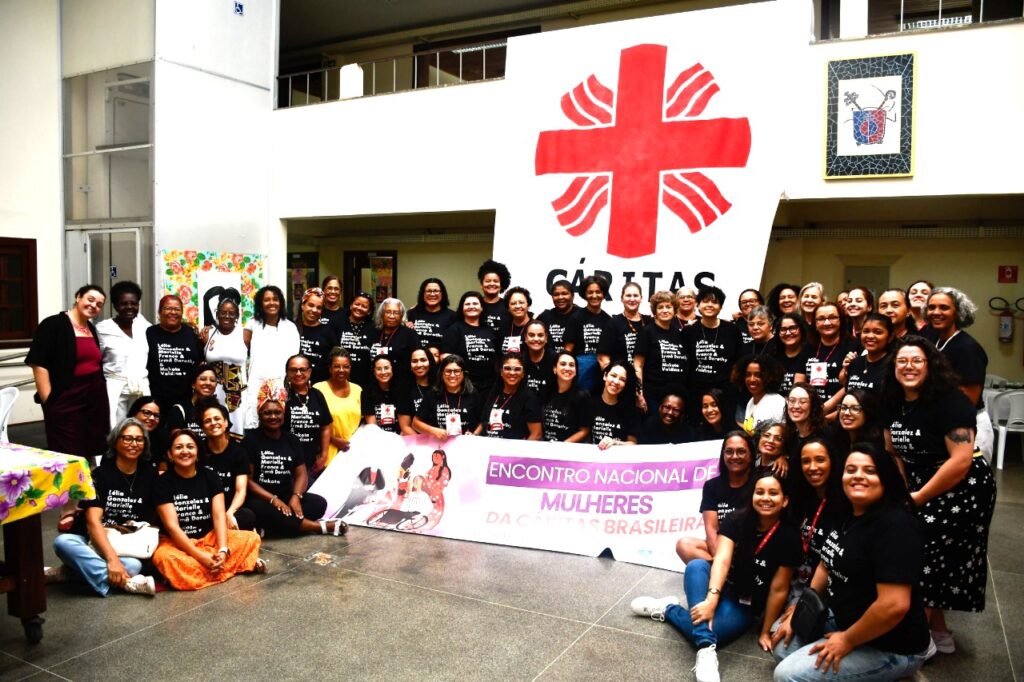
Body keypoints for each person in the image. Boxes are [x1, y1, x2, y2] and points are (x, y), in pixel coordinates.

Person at [771, 445, 933, 681]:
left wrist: (847, 641)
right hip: (845, 619)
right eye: (851, 469)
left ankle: (900, 673)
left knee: (787, 676)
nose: (858, 475)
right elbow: (826, 563)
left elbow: (893, 605)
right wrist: (801, 607)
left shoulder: (897, 525)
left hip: (891, 644)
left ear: (885, 478)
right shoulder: (847, 511)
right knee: (781, 645)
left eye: (869, 470)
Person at [882, 335, 996, 653]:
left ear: (931, 365)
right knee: (928, 556)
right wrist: (907, 490)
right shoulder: (891, 401)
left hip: (962, 485)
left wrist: (918, 498)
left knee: (925, 552)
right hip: (920, 481)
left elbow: (960, 460)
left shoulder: (951, 400)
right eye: (902, 361)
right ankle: (937, 629)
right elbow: (893, 452)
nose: (909, 366)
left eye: (917, 360)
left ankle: (915, 641)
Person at [632, 470, 800, 682]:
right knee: (696, 567)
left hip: (745, 602)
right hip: (721, 583)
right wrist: (712, 599)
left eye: (773, 493)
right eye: (759, 492)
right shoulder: (736, 520)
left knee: (715, 631)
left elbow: (779, 587)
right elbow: (721, 560)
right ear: (752, 495)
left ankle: (669, 609)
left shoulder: (790, 536)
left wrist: (765, 631)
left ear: (784, 500)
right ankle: (706, 650)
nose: (765, 498)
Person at [49, 418, 158, 596]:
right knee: (63, 543)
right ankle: (127, 583)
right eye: (127, 438)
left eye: (139, 439)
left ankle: (69, 573)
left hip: (125, 541)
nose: (134, 444)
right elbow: (93, 521)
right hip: (92, 539)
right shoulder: (101, 475)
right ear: (115, 442)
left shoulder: (149, 474)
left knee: (134, 565)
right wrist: (112, 560)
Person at [153, 428, 265, 589]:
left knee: (250, 538)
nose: (185, 451)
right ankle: (230, 567)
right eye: (178, 448)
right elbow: (172, 528)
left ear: (198, 452)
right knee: (165, 558)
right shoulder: (162, 483)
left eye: (190, 447)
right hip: (178, 543)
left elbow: (219, 517)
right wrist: (201, 557)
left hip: (209, 538)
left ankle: (201, 572)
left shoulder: (210, 476)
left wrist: (222, 550)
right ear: (170, 454)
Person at [243, 382, 346, 536]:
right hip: (261, 499)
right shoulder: (250, 439)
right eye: (267, 413)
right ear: (259, 414)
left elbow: (301, 474)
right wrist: (273, 500)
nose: (273, 417)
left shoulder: (292, 440)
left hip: (286, 495)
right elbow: (248, 481)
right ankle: (318, 527)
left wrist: (296, 496)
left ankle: (270, 530)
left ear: (283, 413)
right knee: (260, 511)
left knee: (318, 504)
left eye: (277, 412)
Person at [27, 284, 110, 470]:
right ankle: (68, 495)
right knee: (68, 452)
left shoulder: (90, 328)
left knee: (90, 448)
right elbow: (38, 362)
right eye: (90, 299)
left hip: (93, 400)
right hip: (66, 400)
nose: (94, 306)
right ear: (78, 297)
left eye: (99, 304)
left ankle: (87, 493)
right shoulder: (53, 324)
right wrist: (49, 400)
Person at [923, 286, 993, 462]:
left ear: (958, 312)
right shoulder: (934, 341)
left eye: (944, 307)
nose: (936, 312)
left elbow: (969, 400)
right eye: (931, 307)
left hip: (967, 425)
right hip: (942, 422)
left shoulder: (967, 348)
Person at [676, 432, 754, 562]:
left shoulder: (758, 484)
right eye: (729, 451)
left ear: (751, 455)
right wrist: (720, 561)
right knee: (684, 545)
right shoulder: (711, 486)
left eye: (741, 451)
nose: (734, 456)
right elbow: (711, 529)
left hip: (750, 547)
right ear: (723, 455)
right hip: (721, 545)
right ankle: (726, 574)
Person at [785, 438, 843, 595]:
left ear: (832, 462)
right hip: (796, 582)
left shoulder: (846, 503)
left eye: (820, 460)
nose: (812, 467)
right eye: (805, 461)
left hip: (825, 590)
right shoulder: (800, 499)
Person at [96, 280, 150, 428]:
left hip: (141, 388)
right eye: (124, 303)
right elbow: (96, 360)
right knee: (115, 429)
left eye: (134, 303)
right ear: (115, 305)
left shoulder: (144, 327)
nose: (129, 307)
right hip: (114, 389)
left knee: (142, 428)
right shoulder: (103, 329)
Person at [244, 285, 300, 428]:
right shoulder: (252, 324)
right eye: (266, 300)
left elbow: (294, 360)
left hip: (281, 383)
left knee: (277, 422)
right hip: (256, 382)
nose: (271, 303)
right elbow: (242, 352)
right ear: (260, 304)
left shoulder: (290, 327)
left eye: (275, 299)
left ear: (281, 302)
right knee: (254, 422)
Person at [684, 286, 742, 417]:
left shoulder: (733, 331)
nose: (709, 305)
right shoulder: (689, 331)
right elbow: (685, 364)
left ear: (721, 307)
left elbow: (739, 362)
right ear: (698, 305)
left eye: (714, 302)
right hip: (696, 392)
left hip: (725, 392)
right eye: (705, 301)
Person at [198, 399, 256, 532]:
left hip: (230, 506)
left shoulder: (239, 452)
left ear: (225, 423)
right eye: (207, 421)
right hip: (205, 508)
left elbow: (240, 490)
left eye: (217, 419)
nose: (213, 423)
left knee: (247, 516)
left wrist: (229, 512)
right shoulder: (197, 451)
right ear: (203, 428)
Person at [200, 288, 247, 434]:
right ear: (217, 314)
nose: (227, 316)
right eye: (223, 312)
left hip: (237, 396)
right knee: (215, 429)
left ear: (237, 316)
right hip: (213, 393)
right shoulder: (208, 333)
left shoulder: (245, 334)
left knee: (237, 432)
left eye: (231, 313)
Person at [634, 290, 688, 414]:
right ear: (655, 312)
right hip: (653, 396)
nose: (665, 310)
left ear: (674, 310)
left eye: (668, 307)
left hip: (675, 397)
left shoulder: (678, 333)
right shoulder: (647, 332)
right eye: (660, 307)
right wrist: (639, 393)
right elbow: (638, 365)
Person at [313, 347, 363, 467]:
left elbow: (362, 422)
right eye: (336, 366)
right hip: (327, 454)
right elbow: (313, 424)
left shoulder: (358, 390)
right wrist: (335, 440)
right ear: (329, 368)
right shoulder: (318, 389)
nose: (341, 370)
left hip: (353, 453)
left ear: (350, 368)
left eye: (346, 366)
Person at [441, 291, 498, 397]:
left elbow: (497, 357)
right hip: (464, 386)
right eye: (467, 304)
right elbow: (445, 357)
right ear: (462, 308)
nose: (471, 306)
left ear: (481, 308)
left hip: (489, 386)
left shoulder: (489, 330)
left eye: (475, 304)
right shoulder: (454, 329)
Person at [283, 353, 332, 474]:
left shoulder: (317, 395)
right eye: (293, 370)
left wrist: (324, 454)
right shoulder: (281, 396)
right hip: (286, 459)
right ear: (287, 373)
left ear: (309, 372)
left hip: (312, 460)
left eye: (302, 369)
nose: (298, 373)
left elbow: (326, 427)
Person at [413, 355, 482, 438]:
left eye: (456, 371)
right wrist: (433, 431)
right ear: (442, 373)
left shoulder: (473, 393)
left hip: (466, 444)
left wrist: (475, 434)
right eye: (448, 371)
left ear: (463, 373)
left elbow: (483, 421)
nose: (452, 375)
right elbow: (415, 423)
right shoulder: (432, 394)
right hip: (440, 445)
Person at [478, 352, 542, 439]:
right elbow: (484, 422)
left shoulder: (530, 398)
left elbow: (536, 434)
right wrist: (473, 435)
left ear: (523, 374)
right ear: (501, 372)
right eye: (507, 368)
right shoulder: (494, 393)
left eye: (517, 369)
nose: (512, 372)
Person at [806, 303, 855, 416]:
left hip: (841, 411)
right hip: (810, 410)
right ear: (815, 323)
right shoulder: (808, 346)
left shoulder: (853, 346)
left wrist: (825, 408)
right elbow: (800, 380)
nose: (827, 323)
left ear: (841, 320)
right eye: (821, 318)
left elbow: (852, 384)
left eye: (832, 317)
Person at [542, 351, 592, 442]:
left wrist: (563, 446)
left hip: (568, 450)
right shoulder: (547, 392)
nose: (567, 368)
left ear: (576, 371)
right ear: (554, 369)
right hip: (546, 447)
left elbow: (584, 431)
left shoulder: (582, 396)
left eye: (572, 365)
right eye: (563, 364)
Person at [598, 281, 650, 368]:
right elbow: (603, 357)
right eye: (628, 295)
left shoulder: (649, 322)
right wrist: (611, 376)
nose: (632, 299)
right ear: (622, 299)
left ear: (641, 298)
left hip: (648, 378)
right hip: (621, 378)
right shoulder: (613, 323)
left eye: (636, 295)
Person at [575, 275, 612, 391]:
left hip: (601, 368)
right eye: (590, 292)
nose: (594, 296)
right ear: (584, 294)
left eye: (598, 292)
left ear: (603, 294)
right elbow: (568, 349)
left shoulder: (608, 320)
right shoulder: (576, 317)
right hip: (580, 369)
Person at [165, 363, 220, 441]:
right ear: (193, 384)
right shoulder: (179, 410)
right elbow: (177, 442)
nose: (208, 383)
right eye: (203, 379)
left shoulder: (220, 410)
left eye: (212, 380)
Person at [840, 313, 892, 394]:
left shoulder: (892, 364)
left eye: (877, 332)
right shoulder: (855, 362)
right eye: (866, 331)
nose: (870, 336)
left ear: (890, 337)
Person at [362, 354, 414, 435]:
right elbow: (372, 428)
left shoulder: (402, 391)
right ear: (374, 371)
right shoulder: (367, 393)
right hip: (377, 438)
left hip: (401, 437)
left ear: (392, 368)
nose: (383, 372)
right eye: (379, 369)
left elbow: (405, 427)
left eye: (386, 368)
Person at [296, 287, 339, 384]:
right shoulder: (292, 328)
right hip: (296, 382)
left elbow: (334, 359)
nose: (314, 310)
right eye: (310, 305)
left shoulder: (328, 331)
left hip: (321, 384)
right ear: (303, 305)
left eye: (319, 307)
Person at [591, 362, 638, 448]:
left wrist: (614, 442)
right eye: (613, 375)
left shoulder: (630, 410)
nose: (616, 382)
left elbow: (633, 443)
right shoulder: (590, 403)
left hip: (618, 458)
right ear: (605, 375)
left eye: (622, 379)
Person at [831, 388, 885, 461]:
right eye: (843, 407)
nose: (846, 413)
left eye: (855, 408)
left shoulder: (877, 450)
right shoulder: (836, 443)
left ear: (868, 413)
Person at [335, 289, 374, 388]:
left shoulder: (374, 328)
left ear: (369, 311)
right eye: (357, 304)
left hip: (365, 379)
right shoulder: (338, 322)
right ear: (351, 305)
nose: (359, 308)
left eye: (364, 306)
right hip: (339, 376)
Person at [371, 297, 420, 373]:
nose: (392, 316)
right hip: (377, 378)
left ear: (401, 315)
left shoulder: (409, 334)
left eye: (396, 313)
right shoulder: (374, 331)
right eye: (388, 312)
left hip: (401, 380)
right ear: (382, 314)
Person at [407, 278, 457, 349]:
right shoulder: (412, 313)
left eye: (436, 291)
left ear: (442, 294)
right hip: (417, 358)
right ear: (423, 294)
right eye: (428, 291)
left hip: (441, 357)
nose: (432, 294)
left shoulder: (452, 316)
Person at [537, 279, 581, 354]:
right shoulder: (545, 317)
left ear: (572, 296)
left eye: (564, 293)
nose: (560, 297)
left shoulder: (581, 315)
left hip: (575, 362)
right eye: (556, 294)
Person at [768, 313, 810, 393]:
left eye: (793, 328)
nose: (788, 333)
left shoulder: (810, 355)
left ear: (801, 329)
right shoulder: (773, 357)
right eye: (783, 329)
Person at [784, 382, 826, 456]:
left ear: (813, 406)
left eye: (802, 402)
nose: (796, 406)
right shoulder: (790, 438)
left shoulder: (824, 437)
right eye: (792, 401)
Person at [522, 320, 555, 398]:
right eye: (531, 335)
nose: (536, 339)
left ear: (546, 338)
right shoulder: (519, 360)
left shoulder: (556, 360)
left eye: (540, 335)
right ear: (525, 338)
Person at [477, 259, 512, 333]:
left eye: (496, 281)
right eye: (488, 281)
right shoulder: (474, 305)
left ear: (501, 285)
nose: (492, 284)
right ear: (481, 285)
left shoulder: (508, 305)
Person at [402, 347, 437, 418]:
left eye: (423, 360)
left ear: (430, 362)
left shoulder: (440, 386)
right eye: (414, 361)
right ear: (409, 365)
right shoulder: (404, 390)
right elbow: (405, 427)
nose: (419, 365)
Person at [501, 286, 533, 354]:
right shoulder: (503, 328)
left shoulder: (535, 327)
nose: (518, 306)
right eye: (513, 303)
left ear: (528, 305)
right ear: (508, 308)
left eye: (521, 302)